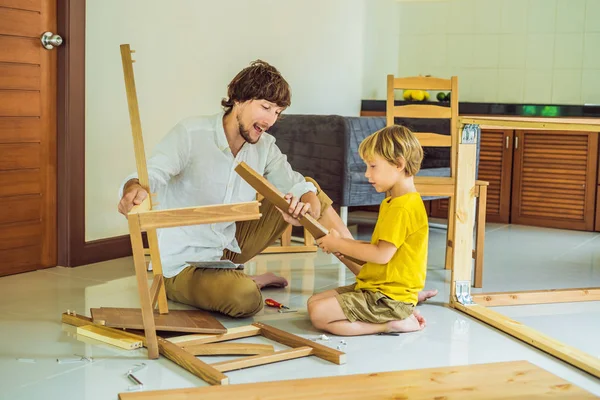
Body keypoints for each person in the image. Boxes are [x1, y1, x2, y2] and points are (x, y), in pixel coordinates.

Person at [118, 60, 354, 318]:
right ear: (239, 99)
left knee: (310, 189)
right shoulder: (191, 133)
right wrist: (133, 189)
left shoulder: (264, 146)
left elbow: (299, 185)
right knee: (246, 299)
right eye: (265, 107)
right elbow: (150, 175)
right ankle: (231, 283)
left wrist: (307, 204)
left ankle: (364, 270)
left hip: (229, 246)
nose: (271, 120)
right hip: (184, 265)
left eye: (277, 112)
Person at [308, 125, 430, 335]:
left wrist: (339, 244)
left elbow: (381, 255)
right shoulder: (396, 201)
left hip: (389, 298)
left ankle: (391, 323)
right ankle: (398, 315)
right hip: (378, 289)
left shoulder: (402, 207)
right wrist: (344, 246)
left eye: (373, 166)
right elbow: (379, 247)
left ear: (399, 164)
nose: (366, 174)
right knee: (313, 302)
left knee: (319, 313)